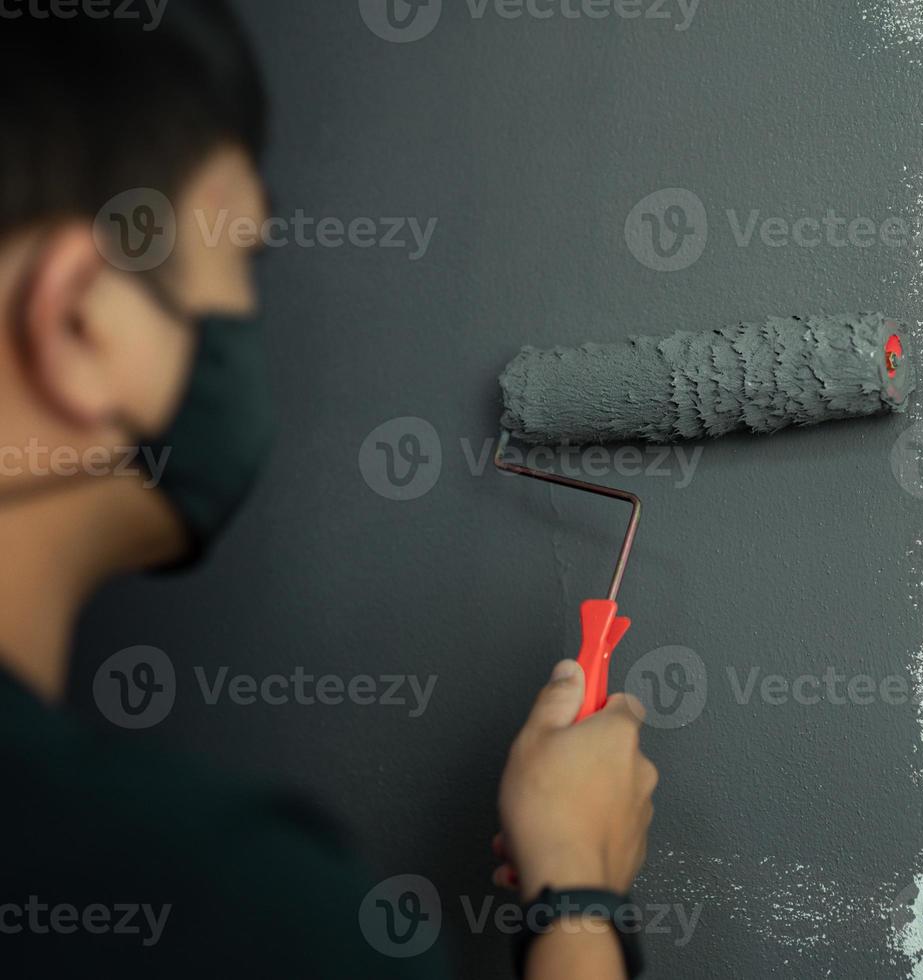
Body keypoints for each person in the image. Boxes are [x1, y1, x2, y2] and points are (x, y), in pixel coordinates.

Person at [0, 3, 657, 977]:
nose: (248, 325)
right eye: (240, 265)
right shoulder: (238, 913)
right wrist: (577, 889)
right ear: (80, 324)